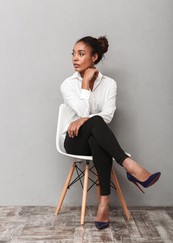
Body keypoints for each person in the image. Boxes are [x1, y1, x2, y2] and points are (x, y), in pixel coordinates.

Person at [60, 35, 161, 230]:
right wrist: (85, 84)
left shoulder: (109, 84)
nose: (75, 58)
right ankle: (130, 165)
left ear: (94, 57)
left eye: (81, 54)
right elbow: (83, 111)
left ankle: (103, 205)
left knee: (97, 140)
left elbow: (106, 117)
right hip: (73, 140)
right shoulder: (68, 84)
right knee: (95, 123)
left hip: (97, 139)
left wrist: (84, 120)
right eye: (73, 54)